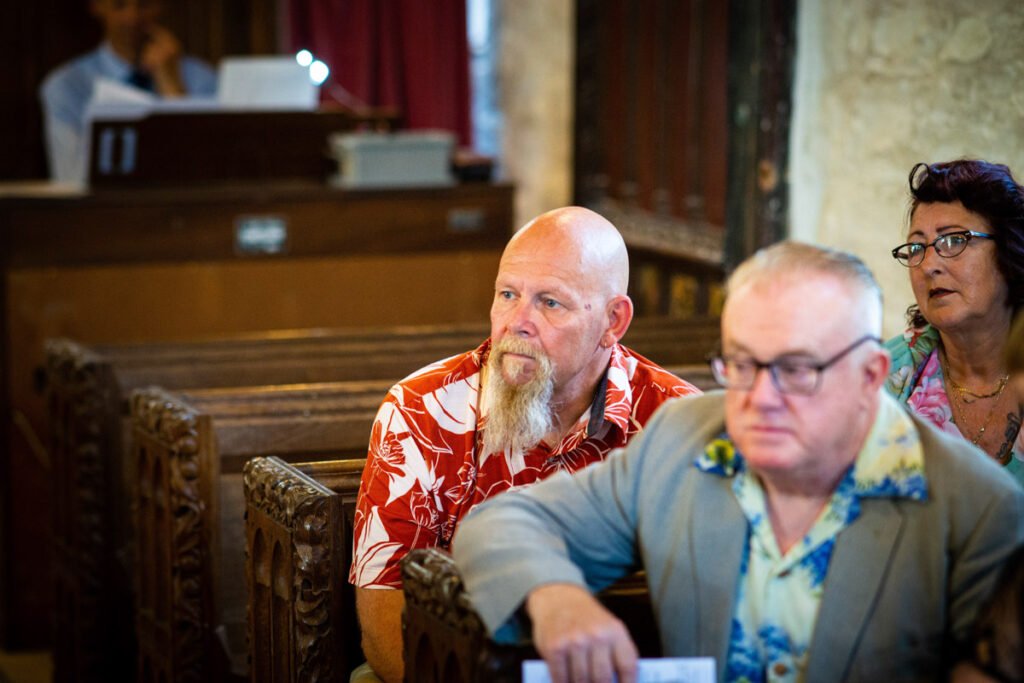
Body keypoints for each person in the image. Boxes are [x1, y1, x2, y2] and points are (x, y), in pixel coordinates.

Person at [452, 241, 1024, 683]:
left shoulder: (976, 508)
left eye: (797, 370)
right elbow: (504, 523)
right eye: (743, 366)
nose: (761, 399)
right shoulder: (684, 439)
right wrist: (555, 596)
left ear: (870, 376)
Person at [349, 206, 702, 682]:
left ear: (613, 321)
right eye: (508, 294)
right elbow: (384, 611)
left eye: (549, 302)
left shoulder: (676, 420)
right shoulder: (423, 409)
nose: (517, 322)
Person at [885, 160, 1024, 486]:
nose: (929, 264)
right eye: (917, 247)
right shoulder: (882, 378)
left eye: (954, 240)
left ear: (1008, 249)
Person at [39, 0, 217, 183]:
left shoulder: (201, 78)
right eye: (119, 5)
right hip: (105, 209)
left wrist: (173, 88)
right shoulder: (68, 84)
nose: (132, 18)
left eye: (144, 5)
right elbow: (70, 179)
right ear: (97, 6)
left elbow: (208, 173)